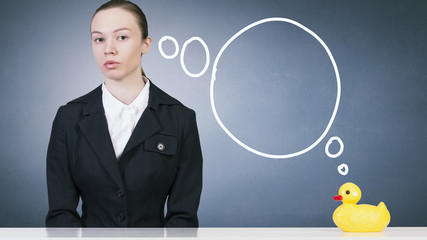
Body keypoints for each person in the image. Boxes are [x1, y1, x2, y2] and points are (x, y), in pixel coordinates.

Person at [45, 0, 203, 227]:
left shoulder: (181, 119)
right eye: (99, 39)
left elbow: (183, 217)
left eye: (121, 37)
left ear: (145, 44)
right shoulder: (69, 118)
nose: (108, 48)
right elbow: (61, 214)